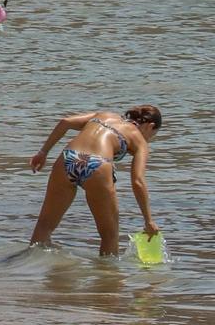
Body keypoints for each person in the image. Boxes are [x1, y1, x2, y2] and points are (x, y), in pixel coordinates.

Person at [29, 105, 162, 254]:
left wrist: (43, 152)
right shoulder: (140, 141)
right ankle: (108, 276)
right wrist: (149, 220)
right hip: (97, 165)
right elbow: (138, 181)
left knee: (44, 225)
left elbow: (65, 121)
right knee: (109, 236)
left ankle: (29, 264)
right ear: (150, 126)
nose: (149, 139)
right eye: (152, 135)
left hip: (69, 157)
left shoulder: (104, 114)